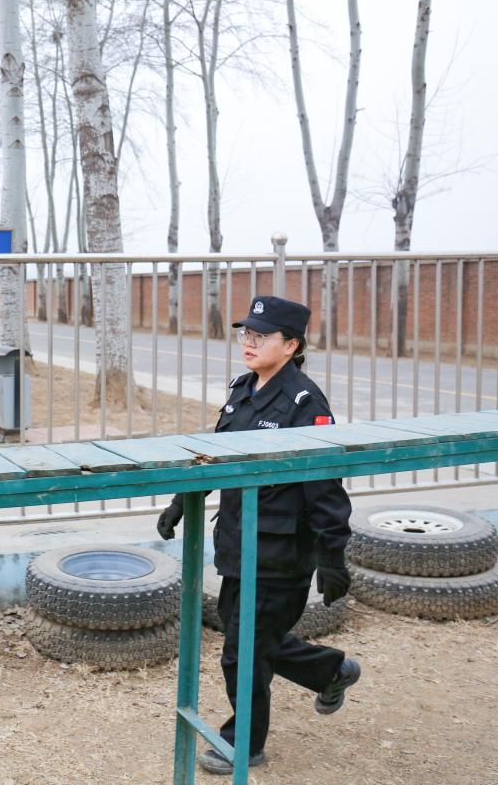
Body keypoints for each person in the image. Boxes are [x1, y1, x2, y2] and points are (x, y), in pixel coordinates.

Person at [156, 295, 361, 776]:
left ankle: (242, 744)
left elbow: (325, 486)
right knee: (248, 637)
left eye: (261, 336)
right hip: (238, 545)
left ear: (291, 345)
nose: (248, 342)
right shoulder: (243, 390)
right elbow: (218, 454)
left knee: (242, 650)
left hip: (281, 554)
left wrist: (333, 555)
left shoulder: (304, 403)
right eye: (245, 333)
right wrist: (182, 500)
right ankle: (331, 670)